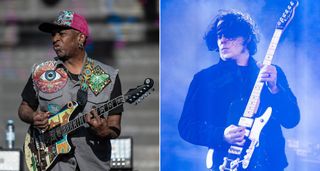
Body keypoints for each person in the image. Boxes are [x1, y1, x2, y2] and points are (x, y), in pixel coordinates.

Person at [178, 10, 300, 171]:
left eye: (230, 35)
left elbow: (291, 120)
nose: (223, 40)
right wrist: (221, 134)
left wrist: (275, 88)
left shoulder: (271, 73)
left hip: (270, 164)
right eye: (219, 35)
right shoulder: (204, 79)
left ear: (247, 38)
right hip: (226, 163)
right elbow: (186, 126)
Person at [18, 10, 123, 171]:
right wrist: (33, 116)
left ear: (80, 38)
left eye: (61, 33)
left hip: (93, 164)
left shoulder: (107, 76)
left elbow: (114, 127)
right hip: (51, 162)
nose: (55, 39)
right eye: (53, 35)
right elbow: (24, 108)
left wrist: (103, 131)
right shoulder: (42, 72)